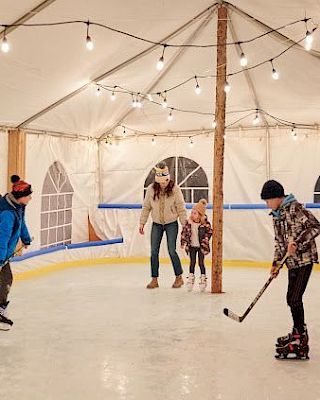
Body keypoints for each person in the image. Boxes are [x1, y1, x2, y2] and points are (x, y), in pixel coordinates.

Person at [260, 180, 320, 359]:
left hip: (304, 260)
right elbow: (279, 243)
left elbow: (315, 226)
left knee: (294, 298)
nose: (266, 204)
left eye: (268, 200)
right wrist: (276, 263)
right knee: (291, 298)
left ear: (277, 197)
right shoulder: (276, 215)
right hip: (292, 263)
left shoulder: (295, 209)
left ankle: (301, 340)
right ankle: (297, 332)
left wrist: (298, 243)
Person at [139, 161, 187, 289]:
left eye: (165, 181)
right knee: (154, 251)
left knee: (172, 250)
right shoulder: (151, 189)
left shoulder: (175, 189)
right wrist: (142, 223)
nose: (163, 184)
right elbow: (146, 207)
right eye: (160, 182)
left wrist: (185, 225)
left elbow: (181, 208)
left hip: (172, 223)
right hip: (157, 224)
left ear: (168, 178)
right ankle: (154, 279)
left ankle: (179, 277)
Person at [0, 175, 32, 330]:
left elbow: (21, 224)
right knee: (5, 279)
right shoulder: (7, 213)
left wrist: (25, 239)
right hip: (0, 253)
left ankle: (0, 308)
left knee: (6, 280)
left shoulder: (18, 207)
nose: (30, 198)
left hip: (3, 254)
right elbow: (2, 237)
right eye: (28, 196)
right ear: (20, 197)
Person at [181, 199, 212, 292]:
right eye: (192, 212)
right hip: (192, 246)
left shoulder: (204, 224)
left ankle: (203, 279)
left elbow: (210, 232)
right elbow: (184, 233)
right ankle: (190, 279)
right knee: (192, 262)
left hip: (201, 247)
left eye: (195, 213)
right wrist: (183, 242)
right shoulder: (189, 223)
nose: (192, 214)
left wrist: (205, 240)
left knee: (201, 263)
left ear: (200, 215)